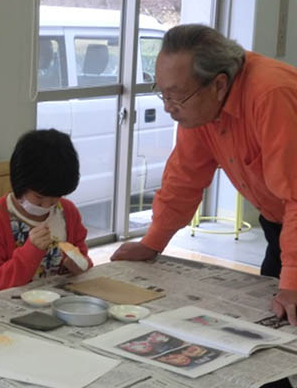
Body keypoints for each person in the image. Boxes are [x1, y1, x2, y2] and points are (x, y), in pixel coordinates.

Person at [111, 24, 297, 326]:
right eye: (162, 95)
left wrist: (292, 284)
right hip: (281, 224)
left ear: (219, 85)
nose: (169, 109)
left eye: (177, 97)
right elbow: (184, 178)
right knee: (270, 322)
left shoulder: (271, 95)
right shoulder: (200, 111)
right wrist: (152, 243)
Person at [0, 129, 92, 293]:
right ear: (21, 183)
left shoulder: (67, 212)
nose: (46, 206)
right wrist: (31, 251)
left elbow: (84, 260)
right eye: (39, 198)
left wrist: (80, 265)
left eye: (55, 198)